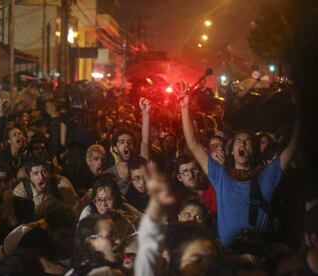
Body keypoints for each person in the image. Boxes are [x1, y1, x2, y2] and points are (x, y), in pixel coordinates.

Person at [179, 84, 299, 244]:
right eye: (238, 141)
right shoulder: (221, 175)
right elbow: (193, 143)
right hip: (229, 259)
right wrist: (185, 108)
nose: (243, 144)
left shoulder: (267, 175)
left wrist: (301, 111)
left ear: (254, 150)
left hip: (257, 258)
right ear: (232, 150)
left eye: (248, 141)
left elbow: (293, 147)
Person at [134, 171, 219, 276]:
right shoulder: (165, 241)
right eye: (197, 260)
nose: (192, 220)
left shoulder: (215, 244)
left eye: (198, 217)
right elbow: (148, 250)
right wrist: (156, 204)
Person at [104, 97, 151, 195]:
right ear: (115, 148)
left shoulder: (140, 165)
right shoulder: (108, 174)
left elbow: (145, 142)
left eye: (129, 142)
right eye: (121, 142)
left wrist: (146, 114)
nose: (126, 144)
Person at [13, 157, 77, 212]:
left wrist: (57, 204)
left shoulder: (60, 182)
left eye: (43, 171)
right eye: (36, 173)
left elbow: (75, 208)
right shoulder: (20, 191)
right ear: (29, 177)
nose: (41, 177)